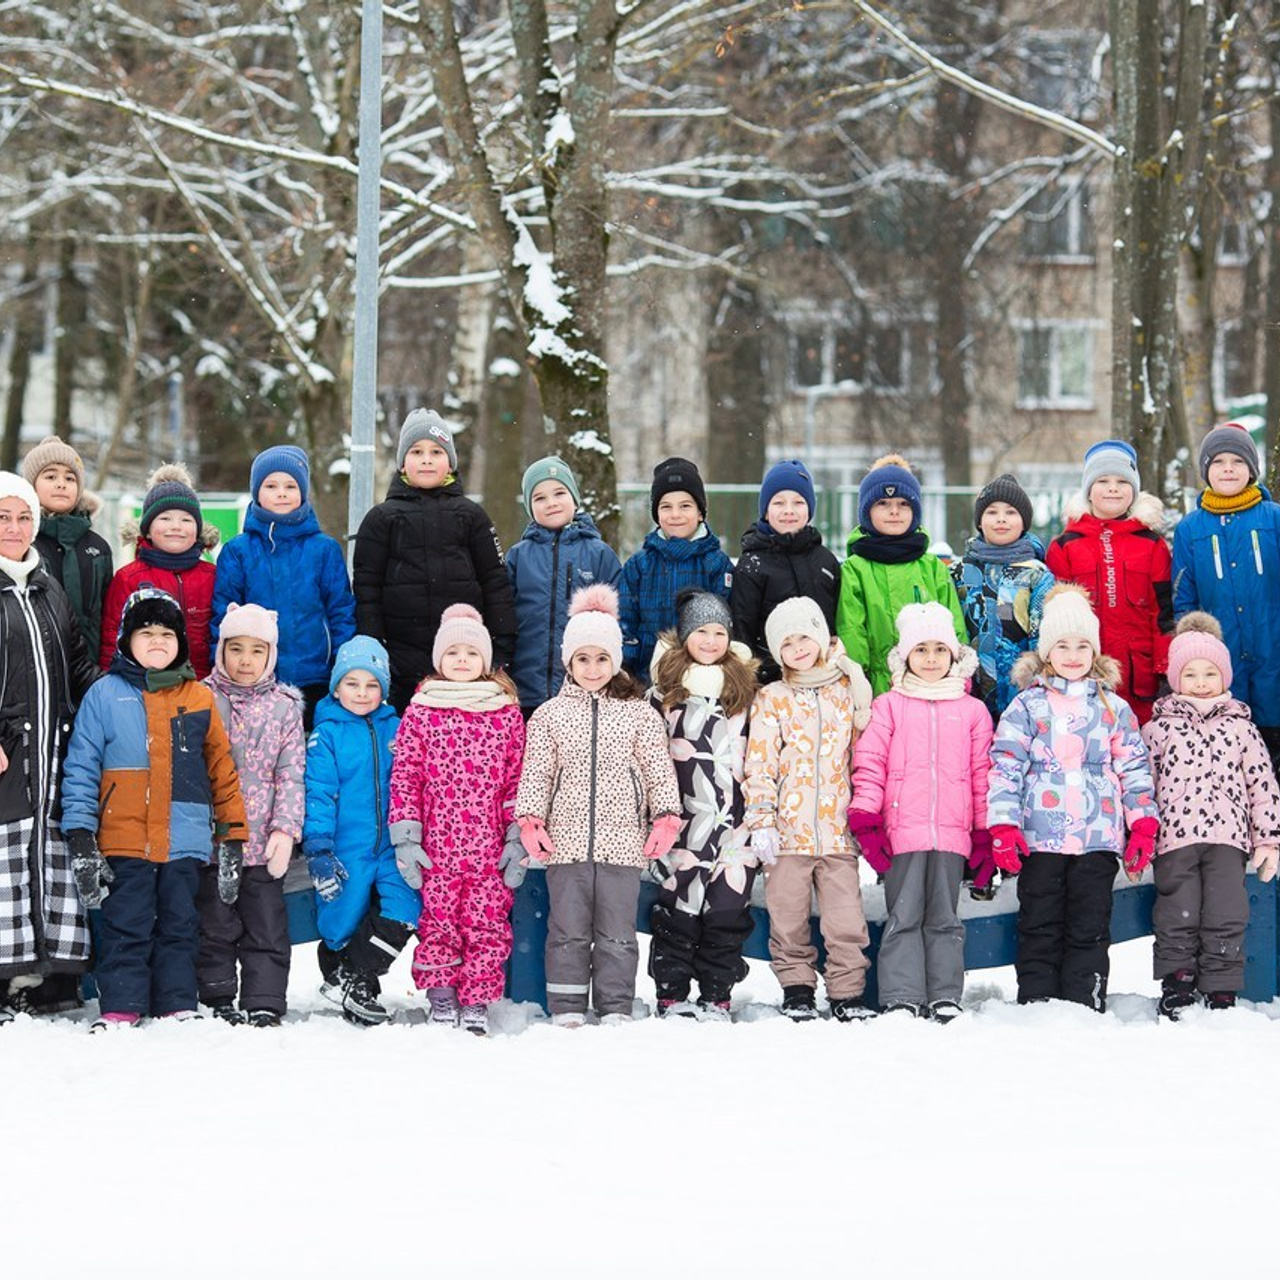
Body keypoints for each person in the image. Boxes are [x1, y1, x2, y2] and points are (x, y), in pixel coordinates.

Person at [60, 588, 247, 1029]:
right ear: (127, 640)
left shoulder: (198, 697)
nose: (158, 641)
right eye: (146, 633)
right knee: (127, 925)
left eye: (167, 633)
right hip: (125, 839)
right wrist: (81, 835)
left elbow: (221, 769)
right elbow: (82, 767)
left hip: (184, 839)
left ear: (182, 641)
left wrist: (232, 834)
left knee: (181, 924)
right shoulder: (104, 695)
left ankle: (177, 1003)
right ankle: (122, 1005)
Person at [986, 583, 1159, 1011]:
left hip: (1097, 837)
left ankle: (1084, 999)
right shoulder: (1027, 705)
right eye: (1062, 644)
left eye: (1083, 645)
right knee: (1040, 921)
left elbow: (1134, 767)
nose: (1073, 654)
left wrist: (1142, 823)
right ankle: (1038, 999)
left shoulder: (1113, 708)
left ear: (1095, 650)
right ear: (1046, 651)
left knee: (1090, 923)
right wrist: (1004, 824)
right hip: (1040, 837)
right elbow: (1006, 764)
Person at [515, 585, 680, 1027]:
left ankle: (614, 1005)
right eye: (583, 659)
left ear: (616, 661)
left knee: (617, 932)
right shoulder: (549, 714)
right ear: (569, 660)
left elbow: (657, 769)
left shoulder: (639, 713)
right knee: (566, 931)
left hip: (623, 842)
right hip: (564, 843)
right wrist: (530, 818)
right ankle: (568, 1006)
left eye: (602, 658)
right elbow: (536, 772)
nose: (592, 668)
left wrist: (665, 815)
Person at [849, 603, 993, 1020]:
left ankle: (945, 993)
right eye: (921, 650)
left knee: (945, 918)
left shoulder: (972, 711)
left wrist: (984, 832)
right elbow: (870, 763)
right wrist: (866, 819)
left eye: (939, 650)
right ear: (906, 656)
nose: (931, 659)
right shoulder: (889, 705)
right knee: (904, 915)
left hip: (952, 834)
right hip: (902, 832)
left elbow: (982, 774)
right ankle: (902, 995)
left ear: (954, 656)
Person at [388, 605, 526, 1037]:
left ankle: (477, 1002)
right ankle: (443, 996)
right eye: (453, 653)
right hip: (437, 850)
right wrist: (407, 838)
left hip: (488, 851)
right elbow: (406, 776)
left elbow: (516, 779)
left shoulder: (505, 713)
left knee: (487, 927)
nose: (462, 660)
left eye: (471, 652)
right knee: (439, 924)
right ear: (438, 660)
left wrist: (516, 837)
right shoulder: (422, 711)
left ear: (486, 660)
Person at [1142, 612, 1280, 1018]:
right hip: (1175, 838)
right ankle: (1178, 979)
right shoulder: (1158, 728)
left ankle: (1220, 984)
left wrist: (1269, 837)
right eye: (1190, 674)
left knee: (1226, 911)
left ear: (1225, 677)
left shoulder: (1241, 728)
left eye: (1210, 674)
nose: (1201, 683)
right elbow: (1141, 784)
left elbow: (1262, 784)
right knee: (1176, 909)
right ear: (1174, 678)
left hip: (1228, 839)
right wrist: (1138, 833)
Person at [744, 596, 874, 1021]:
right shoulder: (772, 698)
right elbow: (759, 763)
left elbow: (862, 755)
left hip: (837, 832)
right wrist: (762, 820)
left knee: (845, 920)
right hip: (786, 834)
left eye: (805, 636)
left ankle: (847, 992)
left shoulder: (847, 690)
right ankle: (797, 987)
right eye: (787, 642)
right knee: (788, 917)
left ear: (821, 638)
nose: (798, 647)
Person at [0, 471, 100, 1022]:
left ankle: (43, 977)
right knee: (5, 859)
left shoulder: (45, 587)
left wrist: (113, 697)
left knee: (46, 854)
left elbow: (76, 658)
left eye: (22, 518)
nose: (13, 528)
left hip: (52, 751)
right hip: (8, 751)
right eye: (2, 517)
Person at [353, 409, 517, 712]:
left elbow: (495, 582)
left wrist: (501, 647)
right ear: (403, 461)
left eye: (436, 451)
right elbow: (367, 591)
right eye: (417, 451)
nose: (426, 459)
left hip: (465, 664)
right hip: (402, 666)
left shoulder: (472, 516)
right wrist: (373, 648)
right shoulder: (380, 519)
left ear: (450, 462)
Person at [646, 589, 760, 1020]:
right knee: (680, 912)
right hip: (682, 824)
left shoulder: (746, 692)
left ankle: (717, 993)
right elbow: (651, 760)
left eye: (719, 632)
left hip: (736, 826)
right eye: (701, 632)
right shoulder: (664, 695)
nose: (711, 641)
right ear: (685, 637)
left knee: (727, 914)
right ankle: (671, 994)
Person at [303, 635, 419, 1025]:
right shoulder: (328, 734)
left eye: (372, 684)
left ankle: (350, 977)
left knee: (405, 908)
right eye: (352, 683)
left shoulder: (398, 728)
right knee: (341, 919)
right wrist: (318, 846)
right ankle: (356, 986)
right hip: (345, 846)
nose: (362, 692)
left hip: (391, 846)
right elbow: (319, 791)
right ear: (336, 686)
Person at [199, 603, 305, 1027]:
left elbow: (292, 773)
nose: (245, 660)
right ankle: (216, 993)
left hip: (263, 843)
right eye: (236, 649)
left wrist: (285, 830)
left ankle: (263, 998)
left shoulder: (284, 707)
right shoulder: (201, 697)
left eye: (256, 651)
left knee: (266, 927)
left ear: (271, 655)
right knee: (214, 924)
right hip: (214, 841)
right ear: (222, 649)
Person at [212, 445, 356, 729]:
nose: (281, 492)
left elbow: (341, 611)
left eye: (290, 486)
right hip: (255, 680)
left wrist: (343, 666)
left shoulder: (324, 549)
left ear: (303, 492)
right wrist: (224, 673)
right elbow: (222, 616)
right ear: (256, 493)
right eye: (271, 485)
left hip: (316, 678)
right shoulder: (238, 551)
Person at [1171, 421, 1280, 764]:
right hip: (1221, 664)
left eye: (1237, 460)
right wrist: (1194, 653)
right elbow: (1183, 598)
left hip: (1273, 652)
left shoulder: (1273, 518)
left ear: (1251, 469)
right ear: (1206, 470)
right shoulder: (1192, 528)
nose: (1228, 468)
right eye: (1218, 462)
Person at [1046, 440, 1172, 726]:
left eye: (1122, 481)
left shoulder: (1152, 545)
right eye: (1103, 480)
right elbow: (1058, 618)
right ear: (1089, 490)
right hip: (1084, 675)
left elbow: (1163, 613)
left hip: (1140, 679)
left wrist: (1164, 669)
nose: (1113, 488)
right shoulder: (1065, 546)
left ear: (1134, 491)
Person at [836, 453, 965, 696]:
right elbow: (852, 629)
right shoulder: (856, 568)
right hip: (876, 686)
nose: (894, 511)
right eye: (883, 504)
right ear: (867, 512)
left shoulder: (932, 567)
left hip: (930, 684)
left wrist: (955, 668)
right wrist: (858, 678)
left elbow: (953, 624)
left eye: (903, 504)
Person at [506, 456, 621, 715]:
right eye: (540, 498)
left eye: (559, 492)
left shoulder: (599, 554)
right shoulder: (518, 556)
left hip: (584, 690)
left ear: (574, 498)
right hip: (526, 690)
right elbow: (504, 617)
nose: (551, 503)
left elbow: (620, 617)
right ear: (529, 506)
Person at [99, 462, 220, 678]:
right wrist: (111, 683)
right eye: (165, 518)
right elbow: (111, 637)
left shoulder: (211, 576)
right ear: (147, 530)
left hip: (202, 687)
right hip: (145, 686)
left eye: (186, 519)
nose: (176, 526)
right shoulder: (128, 578)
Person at [618, 456, 733, 682]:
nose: (675, 514)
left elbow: (727, 626)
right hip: (646, 678)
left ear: (700, 512)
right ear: (657, 514)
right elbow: (626, 620)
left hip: (701, 680)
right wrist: (627, 669)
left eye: (685, 506)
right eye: (666, 507)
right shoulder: (639, 565)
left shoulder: (717, 564)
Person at [951, 473, 1055, 722]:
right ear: (979, 522)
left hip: (1020, 692)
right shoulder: (959, 572)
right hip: (967, 691)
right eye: (991, 512)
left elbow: (1042, 635)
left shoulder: (1036, 573)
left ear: (1023, 521)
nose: (1001, 519)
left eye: (1010, 512)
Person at [730, 459, 840, 684]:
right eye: (779, 503)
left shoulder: (825, 561)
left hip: (823, 678)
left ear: (809, 509)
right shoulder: (753, 563)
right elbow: (743, 629)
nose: (788, 510)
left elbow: (836, 622)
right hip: (772, 681)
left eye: (798, 502)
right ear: (766, 511)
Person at [22, 434, 114, 661]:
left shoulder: (98, 548)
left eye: (70, 478)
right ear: (31, 486)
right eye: (50, 476)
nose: (61, 484)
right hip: (35, 670)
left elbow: (108, 616)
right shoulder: (22, 542)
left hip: (88, 669)